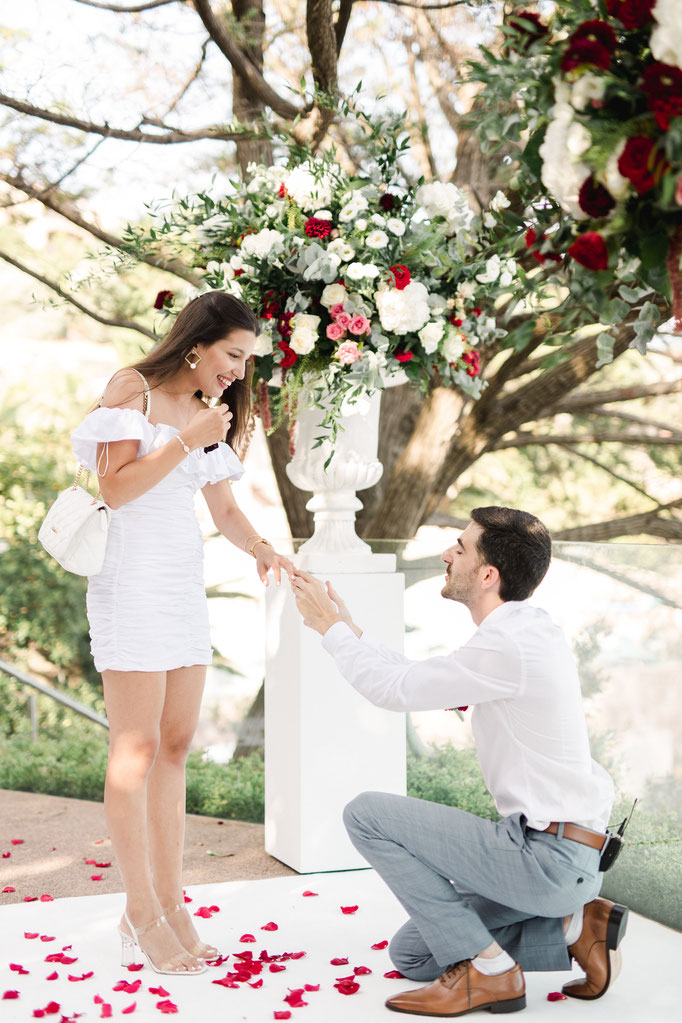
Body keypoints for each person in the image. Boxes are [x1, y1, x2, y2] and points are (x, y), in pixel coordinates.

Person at [291, 506, 627, 1017]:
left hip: (546, 858)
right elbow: (416, 675)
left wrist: (325, 628)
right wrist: (347, 628)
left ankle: (493, 974)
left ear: (488, 575)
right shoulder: (524, 630)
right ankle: (578, 928)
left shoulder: (507, 645)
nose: (447, 553)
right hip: (564, 856)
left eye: (461, 547)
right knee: (414, 952)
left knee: (365, 813)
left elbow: (394, 689)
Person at [71, 291, 293, 976]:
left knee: (175, 745)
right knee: (133, 750)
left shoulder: (211, 414)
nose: (236, 371)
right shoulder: (131, 390)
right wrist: (182, 440)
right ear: (196, 343)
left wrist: (261, 546)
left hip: (179, 590)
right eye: (232, 355)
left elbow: (223, 506)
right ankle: (139, 908)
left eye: (246, 361)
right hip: (130, 586)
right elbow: (114, 488)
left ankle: (173, 902)